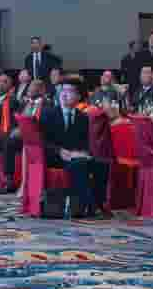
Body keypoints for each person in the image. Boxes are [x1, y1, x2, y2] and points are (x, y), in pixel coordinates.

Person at [42, 80, 106, 219]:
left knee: (102, 163)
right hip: (55, 156)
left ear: (78, 97)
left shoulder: (82, 117)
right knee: (80, 165)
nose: (64, 94)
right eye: (62, 91)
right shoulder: (49, 113)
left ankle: (98, 203)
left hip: (75, 156)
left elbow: (84, 143)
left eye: (69, 91)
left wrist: (84, 153)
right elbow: (42, 142)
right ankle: (84, 205)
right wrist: (60, 151)